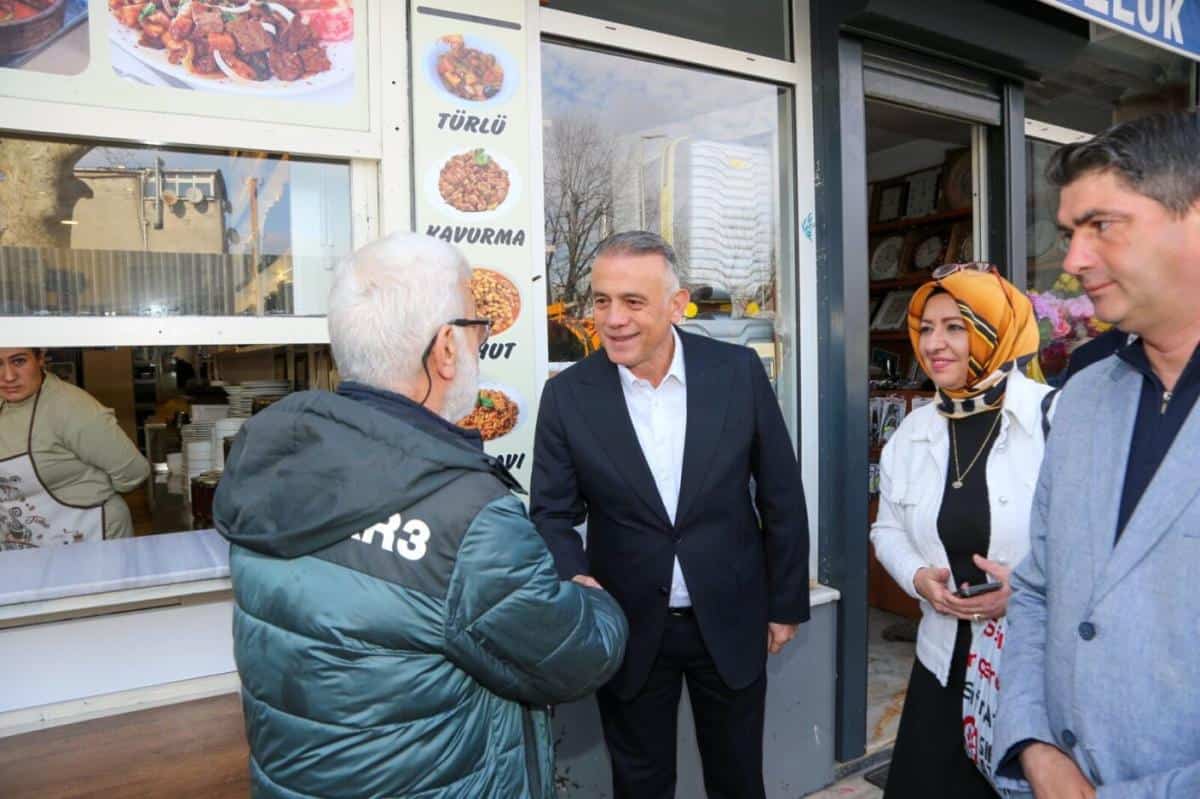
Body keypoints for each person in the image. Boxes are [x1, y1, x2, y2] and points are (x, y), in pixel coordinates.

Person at [213, 233, 628, 799]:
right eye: (480, 330)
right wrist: (590, 596)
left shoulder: (277, 464)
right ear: (447, 349)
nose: (482, 346)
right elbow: (575, 657)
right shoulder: (467, 518)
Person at [530, 230, 810, 799]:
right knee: (640, 784)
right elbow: (552, 514)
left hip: (732, 620)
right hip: (630, 627)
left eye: (633, 302)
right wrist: (576, 580)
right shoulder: (568, 396)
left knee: (737, 780)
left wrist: (785, 603)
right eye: (601, 301)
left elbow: (780, 493)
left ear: (677, 304)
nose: (612, 319)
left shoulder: (737, 373)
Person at [994, 111, 1200, 799]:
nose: (1073, 260)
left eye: (1102, 225)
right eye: (1069, 232)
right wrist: (1032, 746)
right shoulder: (1081, 398)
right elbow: (1036, 589)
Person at [870, 263, 1052, 799]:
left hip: (1029, 672)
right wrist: (918, 577)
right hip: (941, 663)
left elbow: (1095, 548)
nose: (934, 343)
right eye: (926, 328)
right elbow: (887, 529)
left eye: (956, 326)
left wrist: (1025, 593)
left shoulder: (1052, 419)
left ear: (997, 330)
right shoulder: (913, 431)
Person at [0, 348, 149, 548]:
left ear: (40, 358)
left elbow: (134, 471)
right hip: (26, 545)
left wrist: (90, 491)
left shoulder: (71, 407)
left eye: (19, 361)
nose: (8, 376)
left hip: (90, 536)